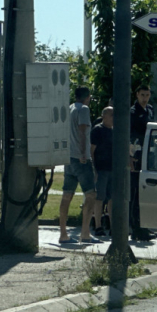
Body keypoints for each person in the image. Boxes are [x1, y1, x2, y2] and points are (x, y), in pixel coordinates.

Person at [59, 87, 100, 245]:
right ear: (87, 97)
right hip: (80, 158)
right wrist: (84, 153)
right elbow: (83, 131)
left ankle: (63, 233)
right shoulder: (83, 109)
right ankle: (85, 233)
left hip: (68, 158)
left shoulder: (69, 108)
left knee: (66, 195)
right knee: (91, 195)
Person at [129, 85, 156, 241]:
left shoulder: (150, 110)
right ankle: (136, 228)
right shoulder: (133, 113)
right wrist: (130, 155)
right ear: (137, 95)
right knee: (136, 193)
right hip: (137, 154)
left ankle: (144, 225)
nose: (145, 98)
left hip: (149, 154)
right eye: (142, 95)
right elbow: (130, 135)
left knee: (146, 192)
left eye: (147, 95)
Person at [91, 106, 114, 238]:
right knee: (99, 198)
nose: (113, 118)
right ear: (104, 116)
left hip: (112, 170)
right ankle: (98, 225)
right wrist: (94, 169)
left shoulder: (114, 131)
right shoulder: (97, 130)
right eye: (111, 115)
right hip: (101, 169)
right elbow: (91, 151)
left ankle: (111, 225)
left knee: (111, 198)